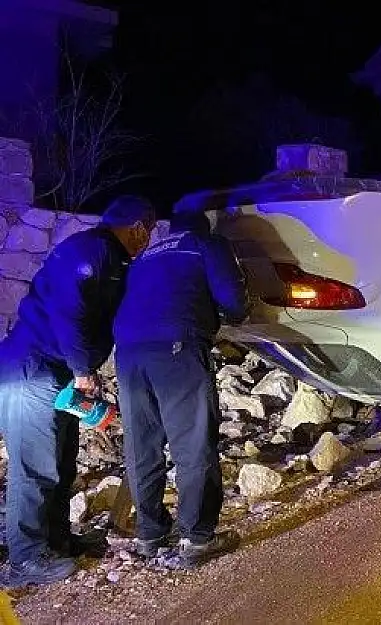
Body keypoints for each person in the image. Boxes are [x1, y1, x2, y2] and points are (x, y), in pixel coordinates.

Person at [0, 196, 155, 588]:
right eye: (148, 232)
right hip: (30, 368)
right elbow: (69, 311)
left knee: (61, 460)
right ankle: (25, 559)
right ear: (137, 227)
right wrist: (84, 370)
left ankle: (56, 541)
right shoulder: (91, 250)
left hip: (54, 370)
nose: (148, 241)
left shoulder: (110, 257)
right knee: (35, 465)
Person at [112, 209, 249, 569]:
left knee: (143, 445)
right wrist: (236, 315)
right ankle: (197, 538)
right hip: (176, 348)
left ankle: (150, 534)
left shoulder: (146, 255)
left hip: (128, 356)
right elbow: (232, 298)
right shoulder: (205, 244)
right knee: (192, 442)